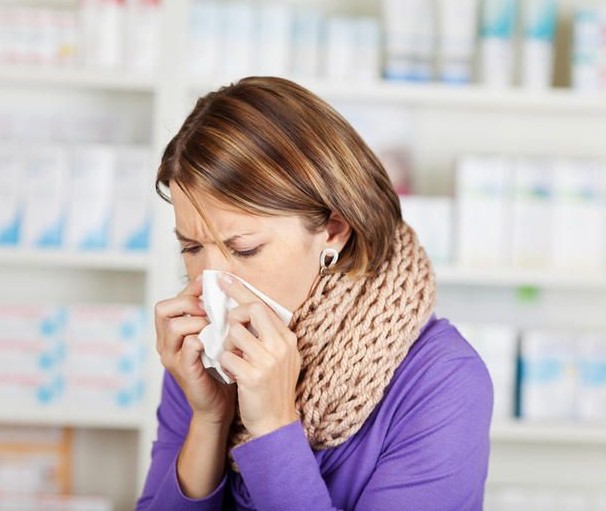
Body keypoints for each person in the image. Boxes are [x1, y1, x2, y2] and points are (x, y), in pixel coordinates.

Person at [135, 77, 492, 510]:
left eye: (244, 249)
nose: (210, 282)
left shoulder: (442, 380)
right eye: (191, 248)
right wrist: (209, 419)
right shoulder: (204, 353)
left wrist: (272, 426)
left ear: (333, 230)